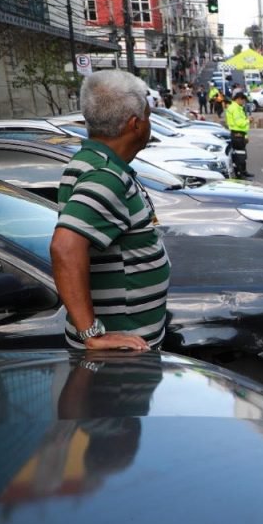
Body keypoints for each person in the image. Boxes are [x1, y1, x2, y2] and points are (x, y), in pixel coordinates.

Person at [49, 69, 171, 352]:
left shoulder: (90, 162)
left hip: (123, 355)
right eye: (148, 116)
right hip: (119, 364)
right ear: (135, 125)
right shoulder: (105, 176)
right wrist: (91, 334)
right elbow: (65, 247)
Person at [226, 91, 254, 178]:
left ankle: (244, 171)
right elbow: (239, 123)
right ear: (238, 99)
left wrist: (245, 136)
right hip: (237, 134)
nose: (244, 103)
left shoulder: (237, 107)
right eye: (243, 101)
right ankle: (240, 174)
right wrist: (248, 120)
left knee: (242, 154)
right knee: (240, 156)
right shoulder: (234, 108)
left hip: (240, 134)